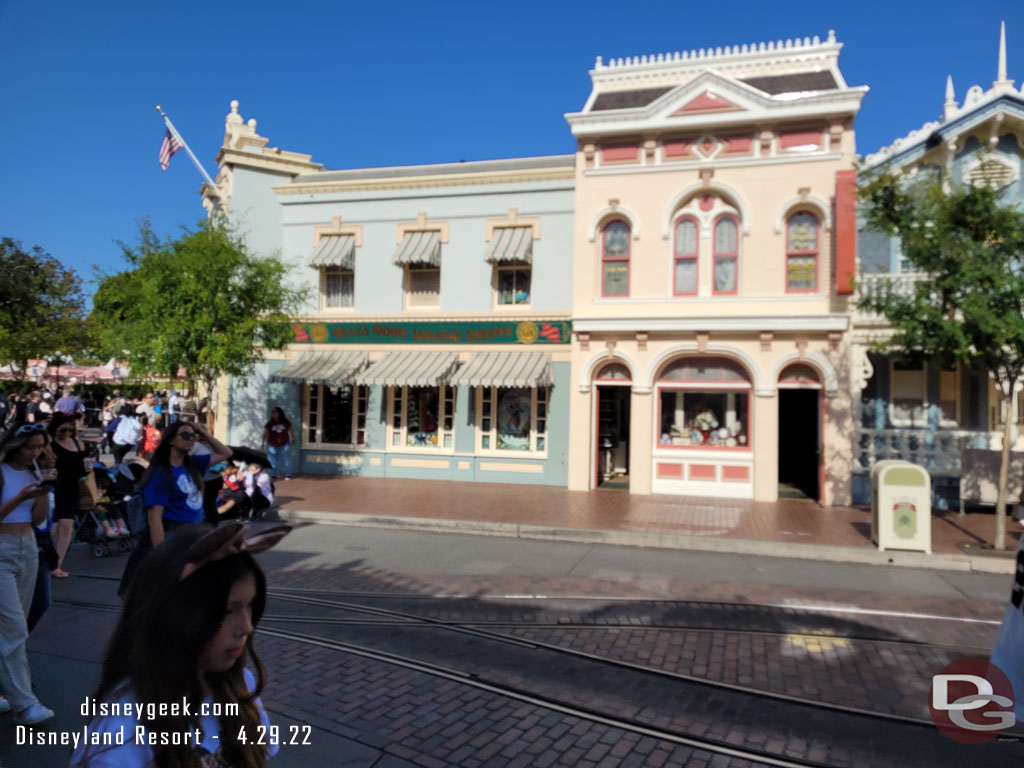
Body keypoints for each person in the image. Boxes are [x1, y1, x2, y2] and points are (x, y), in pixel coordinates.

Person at [70, 522, 289, 768]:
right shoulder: (125, 728)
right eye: (228, 611)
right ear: (174, 616)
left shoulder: (238, 687)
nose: (247, 627)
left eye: (250, 605)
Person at [118, 421, 233, 597]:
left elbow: (226, 453)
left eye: (193, 436)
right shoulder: (161, 473)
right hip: (171, 535)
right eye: (185, 435)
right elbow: (154, 518)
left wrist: (201, 431)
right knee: (153, 596)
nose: (191, 439)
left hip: (192, 534)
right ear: (171, 440)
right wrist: (162, 554)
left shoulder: (193, 465)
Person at [0, 422, 56, 724]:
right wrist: (20, 497)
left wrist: (43, 493)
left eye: (38, 446)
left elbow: (39, 520)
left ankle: (5, 690)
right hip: (2, 546)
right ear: (15, 444)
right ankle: (26, 703)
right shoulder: (3, 471)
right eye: (29, 446)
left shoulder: (34, 471)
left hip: (27, 544)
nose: (34, 451)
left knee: (12, 624)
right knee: (13, 628)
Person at [48, 414, 91, 578]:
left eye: (70, 429)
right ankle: (43, 558)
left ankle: (56, 566)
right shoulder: (50, 445)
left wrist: (88, 467)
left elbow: (82, 466)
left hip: (71, 489)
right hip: (52, 489)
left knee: (66, 526)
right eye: (63, 429)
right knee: (51, 528)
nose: (66, 432)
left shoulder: (77, 443)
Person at [261, 407, 294, 481]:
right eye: (272, 412)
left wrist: (293, 438)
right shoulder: (270, 423)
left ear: (279, 413)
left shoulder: (285, 421)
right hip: (272, 444)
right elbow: (265, 433)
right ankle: (273, 475)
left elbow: (291, 430)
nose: (272, 413)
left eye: (274, 411)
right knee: (272, 460)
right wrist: (262, 442)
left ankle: (288, 474)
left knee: (286, 459)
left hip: (284, 443)